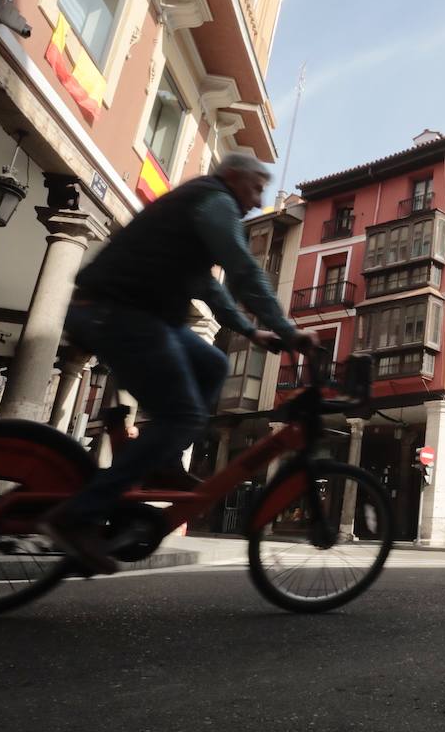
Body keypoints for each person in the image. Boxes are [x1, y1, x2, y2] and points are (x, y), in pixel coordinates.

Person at [41, 154, 316, 574]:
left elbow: (210, 287)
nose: (259, 202)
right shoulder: (213, 199)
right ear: (233, 177)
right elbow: (243, 270)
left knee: (212, 364)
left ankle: (163, 462)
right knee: (184, 413)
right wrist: (287, 328)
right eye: (256, 188)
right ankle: (75, 516)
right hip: (116, 311)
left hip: (135, 314)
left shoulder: (194, 216)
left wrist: (250, 331)